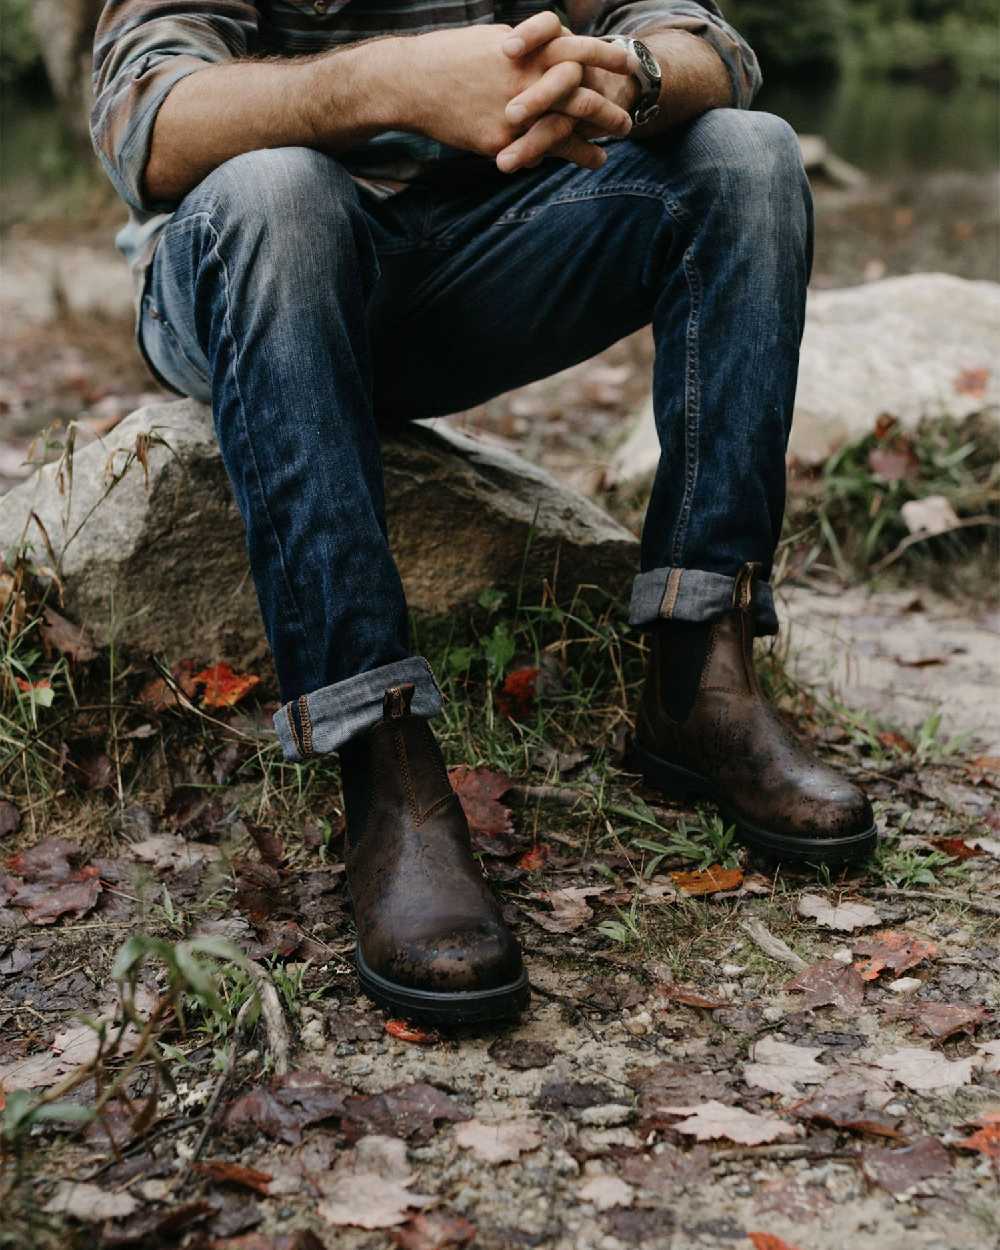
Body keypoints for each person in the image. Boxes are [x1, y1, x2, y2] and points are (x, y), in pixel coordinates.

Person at [90, 1, 875, 1025]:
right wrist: (398, 83)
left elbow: (709, 46)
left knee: (747, 154)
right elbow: (147, 126)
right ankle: (383, 763)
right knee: (276, 189)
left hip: (483, 254)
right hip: (249, 267)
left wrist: (623, 74)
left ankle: (699, 672)